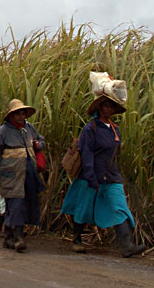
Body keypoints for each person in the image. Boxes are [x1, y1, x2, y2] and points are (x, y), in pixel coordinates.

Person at [60, 93, 146, 258]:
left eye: (112, 106)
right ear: (99, 108)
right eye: (106, 106)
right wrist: (91, 176)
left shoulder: (115, 129)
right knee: (83, 208)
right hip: (90, 176)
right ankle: (77, 239)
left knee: (120, 206)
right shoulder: (90, 128)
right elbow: (87, 153)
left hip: (112, 177)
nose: (109, 109)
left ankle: (127, 245)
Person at [0, 99, 46, 252]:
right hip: (10, 175)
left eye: (22, 113)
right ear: (11, 115)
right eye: (17, 113)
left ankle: (8, 237)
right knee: (16, 205)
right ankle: (18, 238)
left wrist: (39, 144)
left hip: (28, 174)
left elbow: (42, 141)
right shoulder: (3, 131)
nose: (20, 116)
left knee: (21, 205)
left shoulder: (29, 129)